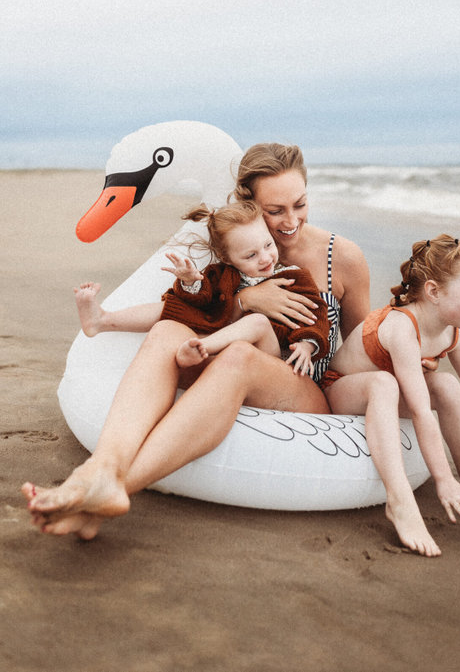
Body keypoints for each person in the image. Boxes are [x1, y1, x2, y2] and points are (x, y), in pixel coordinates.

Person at [23, 143, 372, 539]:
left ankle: (112, 488)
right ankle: (102, 469)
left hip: (300, 382)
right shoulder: (235, 239)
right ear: (250, 205)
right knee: (167, 330)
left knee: (239, 356)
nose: (291, 221)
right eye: (275, 211)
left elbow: (359, 344)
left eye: (300, 204)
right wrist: (245, 300)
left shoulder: (341, 257)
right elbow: (197, 306)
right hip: (232, 353)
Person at [322, 234, 460, 556]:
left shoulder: (450, 329)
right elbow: (419, 410)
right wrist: (442, 479)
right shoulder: (403, 328)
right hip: (343, 391)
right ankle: (399, 501)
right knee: (383, 384)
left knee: (448, 385)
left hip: (389, 394)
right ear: (433, 291)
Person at [74, 200, 330, 378]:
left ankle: (201, 347)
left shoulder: (294, 277)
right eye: (251, 255)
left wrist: (307, 345)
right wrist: (190, 281)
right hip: (229, 348)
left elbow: (317, 315)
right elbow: (200, 301)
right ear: (227, 258)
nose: (264, 258)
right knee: (169, 307)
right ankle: (102, 320)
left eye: (267, 245)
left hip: (272, 356)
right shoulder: (223, 275)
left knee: (259, 322)